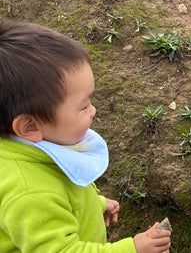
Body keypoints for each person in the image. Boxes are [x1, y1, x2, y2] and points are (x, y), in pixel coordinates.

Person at [0, 19, 172, 252]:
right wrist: (133, 248)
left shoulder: (29, 148)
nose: (93, 110)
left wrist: (93, 205)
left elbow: (60, 199)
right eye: (83, 106)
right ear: (29, 126)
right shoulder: (30, 194)